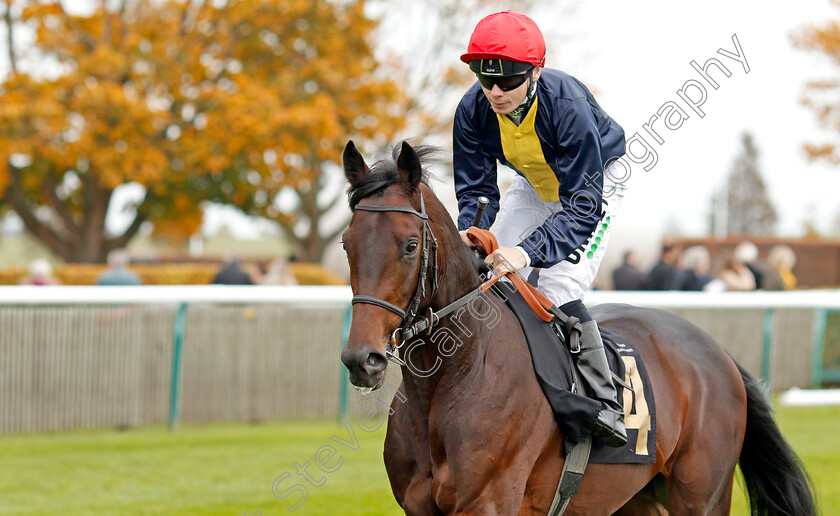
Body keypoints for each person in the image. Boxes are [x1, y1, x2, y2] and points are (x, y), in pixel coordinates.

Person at [454, 11, 627, 446]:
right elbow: (477, 189)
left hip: (594, 185)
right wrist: (471, 232)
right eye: (484, 77)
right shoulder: (472, 109)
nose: (495, 91)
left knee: (557, 284)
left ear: (535, 72)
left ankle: (604, 403)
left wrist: (526, 251)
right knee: (483, 270)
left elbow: (582, 208)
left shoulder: (565, 106)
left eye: (508, 80)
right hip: (535, 181)